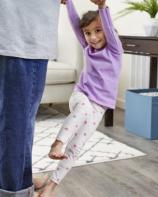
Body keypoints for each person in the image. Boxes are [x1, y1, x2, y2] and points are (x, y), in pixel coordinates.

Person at [38, 0, 123, 195]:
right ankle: (58, 142)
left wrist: (103, 7)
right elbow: (76, 23)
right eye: (88, 33)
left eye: (98, 31)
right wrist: (68, 3)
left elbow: (108, 27)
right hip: (81, 96)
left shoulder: (114, 50)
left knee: (76, 147)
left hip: (99, 107)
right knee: (82, 110)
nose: (92, 37)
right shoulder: (87, 47)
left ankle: (50, 186)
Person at [0, 1, 60, 197]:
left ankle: (18, 181)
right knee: (17, 126)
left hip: (14, 33)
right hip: (21, 34)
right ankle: (14, 190)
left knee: (12, 123)